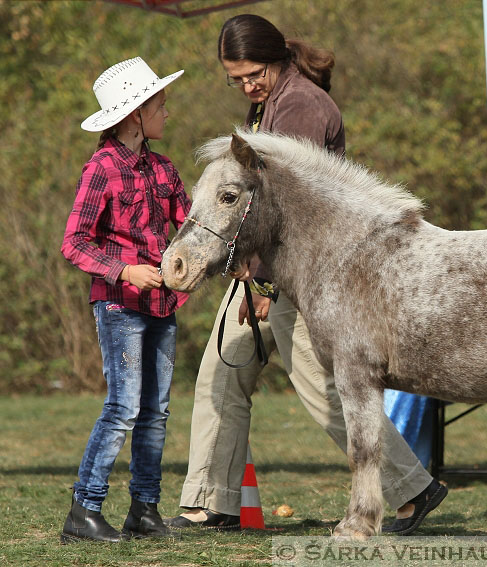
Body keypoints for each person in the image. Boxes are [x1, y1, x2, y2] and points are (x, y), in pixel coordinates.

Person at [165, 14, 446, 536]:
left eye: (253, 73)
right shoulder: (269, 103)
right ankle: (211, 501)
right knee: (220, 378)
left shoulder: (301, 106)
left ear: (275, 59)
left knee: (328, 393)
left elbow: (290, 205)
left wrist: (266, 285)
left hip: (295, 280)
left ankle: (410, 488)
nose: (247, 85)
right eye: (236, 78)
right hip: (264, 275)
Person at [60, 57, 190, 543]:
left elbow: (190, 227)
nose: (166, 111)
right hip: (118, 306)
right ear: (136, 113)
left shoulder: (164, 169)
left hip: (161, 307)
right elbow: (74, 242)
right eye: (160, 104)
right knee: (124, 408)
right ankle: (84, 510)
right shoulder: (101, 168)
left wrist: (190, 268)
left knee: (155, 412)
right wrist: (125, 271)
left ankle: (144, 509)